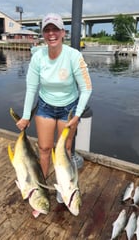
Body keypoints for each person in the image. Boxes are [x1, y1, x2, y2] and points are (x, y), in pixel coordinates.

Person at [16, 13, 92, 202]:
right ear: (43, 33)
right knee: (43, 148)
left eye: (55, 29)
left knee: (64, 150)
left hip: (69, 109)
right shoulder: (38, 57)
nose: (51, 34)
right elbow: (31, 89)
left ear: (62, 33)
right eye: (47, 30)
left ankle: (63, 187)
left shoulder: (74, 56)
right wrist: (25, 116)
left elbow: (86, 88)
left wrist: (77, 115)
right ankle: (39, 187)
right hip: (45, 107)